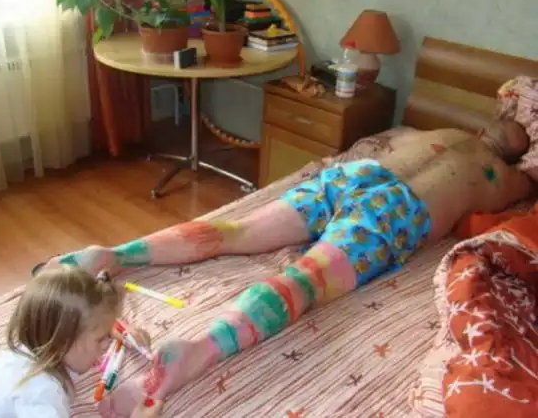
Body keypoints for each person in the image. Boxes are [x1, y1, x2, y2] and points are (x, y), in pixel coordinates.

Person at [39, 121, 536, 416]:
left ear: (487, 130)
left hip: (356, 175)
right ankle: (198, 351)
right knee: (304, 279)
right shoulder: (500, 175)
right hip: (397, 212)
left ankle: (114, 254)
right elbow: (524, 189)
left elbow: (389, 136)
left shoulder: (435, 131)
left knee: (234, 232)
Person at [0, 266, 160, 418]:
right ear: (64, 339)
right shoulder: (40, 393)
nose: (107, 346)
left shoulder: (16, 352)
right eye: (100, 339)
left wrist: (105, 328)